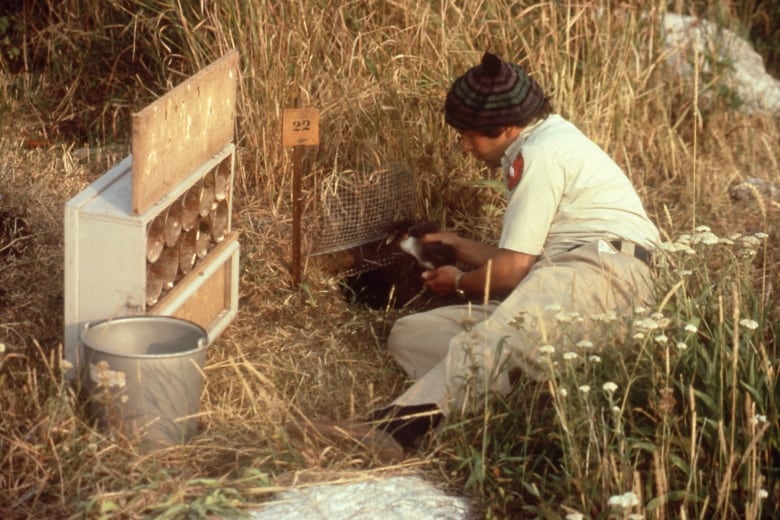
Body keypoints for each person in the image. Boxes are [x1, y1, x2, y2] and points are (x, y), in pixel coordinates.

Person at [290, 52, 659, 459]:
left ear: (506, 127)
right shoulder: (547, 141)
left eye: (470, 135)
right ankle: (513, 401)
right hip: (566, 274)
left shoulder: (539, 155)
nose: (465, 145)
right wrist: (460, 246)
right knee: (412, 336)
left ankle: (395, 430)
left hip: (604, 274)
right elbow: (522, 261)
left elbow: (511, 271)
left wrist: (460, 281)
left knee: (496, 340)